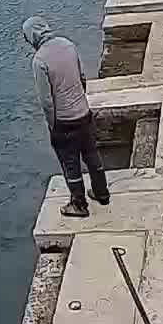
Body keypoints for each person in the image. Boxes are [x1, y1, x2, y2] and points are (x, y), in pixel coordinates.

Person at [23, 16, 110, 218]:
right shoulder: (68, 44)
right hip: (84, 113)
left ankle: (79, 204)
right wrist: (81, 102)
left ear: (32, 36)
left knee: (70, 163)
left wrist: (53, 125)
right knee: (91, 155)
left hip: (64, 122)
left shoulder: (39, 61)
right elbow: (82, 77)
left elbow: (46, 100)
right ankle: (101, 193)